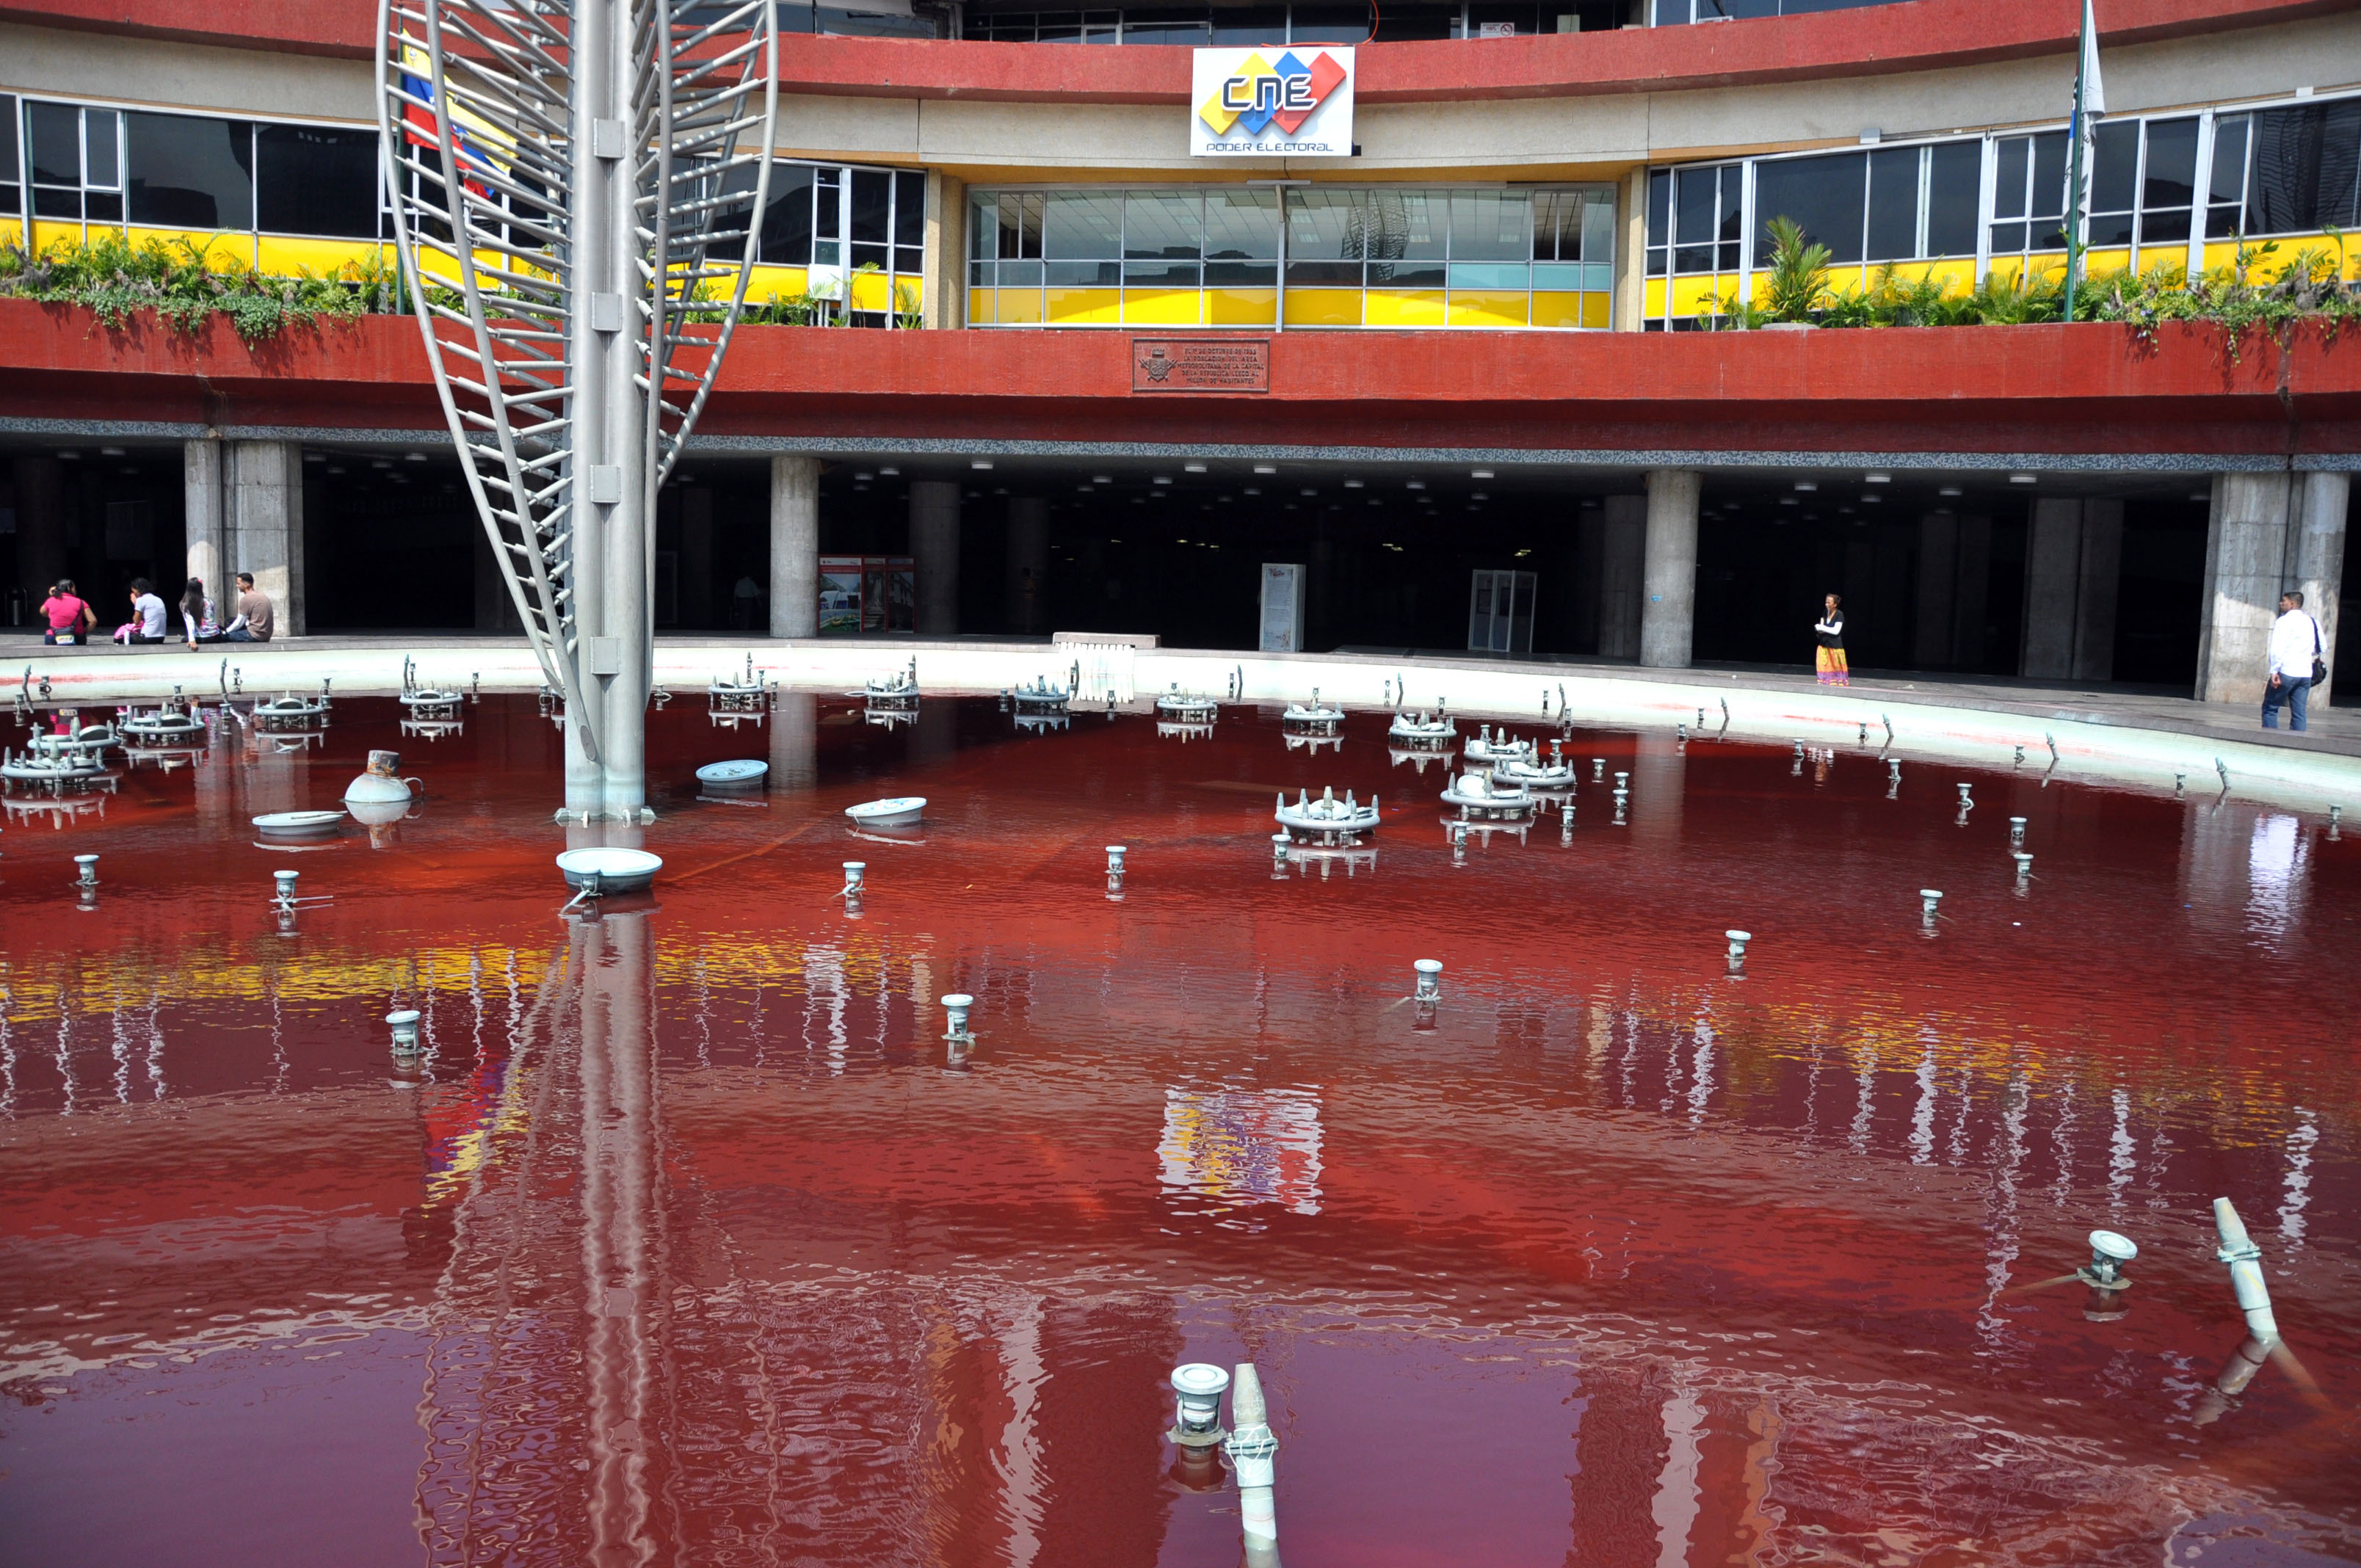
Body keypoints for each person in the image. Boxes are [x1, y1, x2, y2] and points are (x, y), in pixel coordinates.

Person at [2262, 589, 2324, 733]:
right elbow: (2322, 647)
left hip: (2287, 671)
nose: (2280, 603)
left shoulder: (2283, 621)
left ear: (2292, 604)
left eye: (2283, 601)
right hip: (2305, 673)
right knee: (2299, 712)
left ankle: (2271, 741)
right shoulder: (2313, 622)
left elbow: (2277, 648)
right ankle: (2298, 745)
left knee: (2270, 708)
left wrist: (2274, 671)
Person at [224, 571, 275, 642]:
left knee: (224, 637)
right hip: (266, 635)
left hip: (255, 636)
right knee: (230, 621)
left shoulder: (246, 599)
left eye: (239, 584)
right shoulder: (262, 595)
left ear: (246, 585)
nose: (237, 586)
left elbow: (239, 622)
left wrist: (225, 632)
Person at [39, 579, 95, 645]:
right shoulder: (81, 602)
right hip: (77, 637)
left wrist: (53, 595)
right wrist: (84, 631)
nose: (76, 591)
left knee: (49, 635)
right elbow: (93, 621)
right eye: (74, 588)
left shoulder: (51, 601)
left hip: (54, 636)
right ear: (69, 588)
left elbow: (43, 613)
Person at [112, 578, 168, 644]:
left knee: (119, 639)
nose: (134, 594)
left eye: (134, 592)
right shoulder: (158, 599)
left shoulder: (141, 600)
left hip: (147, 637)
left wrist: (135, 603)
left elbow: (136, 621)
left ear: (138, 589)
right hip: (161, 638)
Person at [1813, 593, 1849, 686]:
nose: (1827, 604)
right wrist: (1820, 629)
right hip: (1824, 644)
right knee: (1822, 663)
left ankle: (1835, 681)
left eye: (1829, 603)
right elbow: (1824, 627)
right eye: (1826, 602)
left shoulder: (1839, 614)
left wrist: (1822, 628)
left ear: (1835, 604)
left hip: (1834, 646)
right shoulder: (1825, 612)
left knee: (1835, 665)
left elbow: (1836, 631)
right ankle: (1824, 679)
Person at [179, 578, 220, 649]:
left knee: (184, 639)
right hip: (214, 636)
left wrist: (192, 641)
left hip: (200, 638)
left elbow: (190, 622)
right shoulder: (209, 601)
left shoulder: (185, 604)